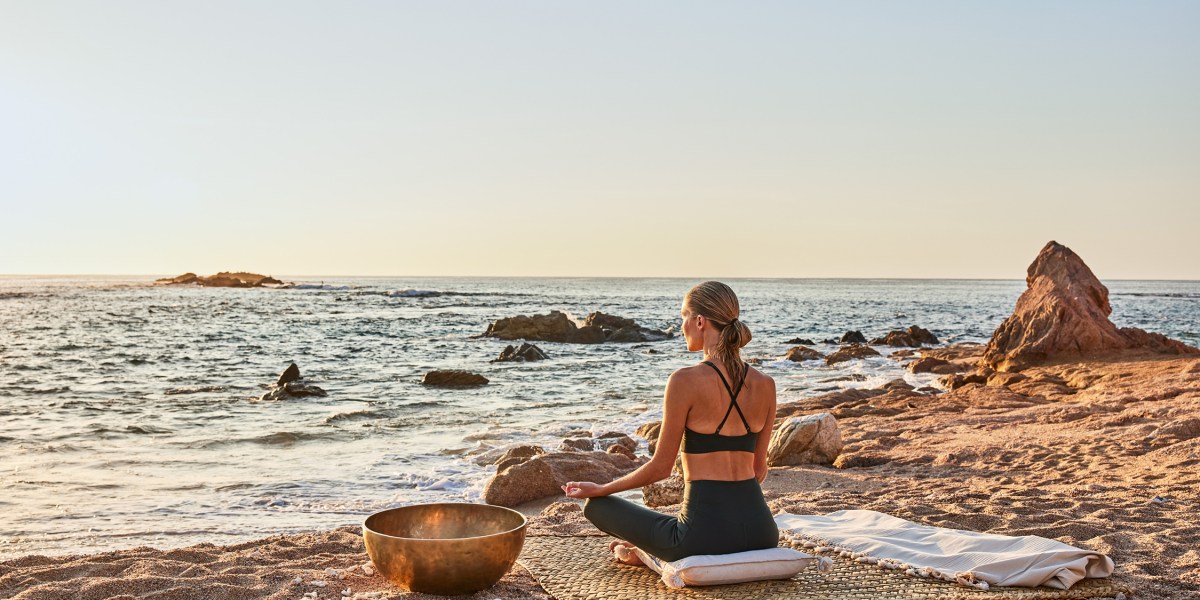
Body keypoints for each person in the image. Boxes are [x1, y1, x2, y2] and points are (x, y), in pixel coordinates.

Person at [561, 281, 779, 564]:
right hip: (762, 533)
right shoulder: (766, 384)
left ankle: (645, 552)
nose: (682, 326)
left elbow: (661, 468)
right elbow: (758, 470)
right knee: (674, 524)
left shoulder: (684, 381)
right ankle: (655, 544)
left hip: (698, 540)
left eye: (683, 317)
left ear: (700, 321)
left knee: (596, 507)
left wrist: (601, 489)